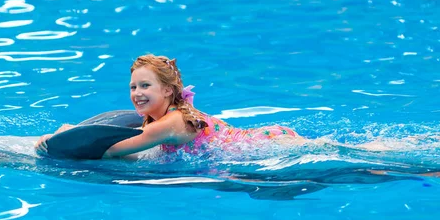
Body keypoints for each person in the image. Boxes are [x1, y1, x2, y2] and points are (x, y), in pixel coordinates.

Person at [35, 54, 302, 158]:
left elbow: (112, 152)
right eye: (133, 87)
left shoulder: (167, 124)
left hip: (269, 147)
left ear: (167, 90)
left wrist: (59, 137)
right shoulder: (166, 117)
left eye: (145, 86)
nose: (137, 93)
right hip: (266, 138)